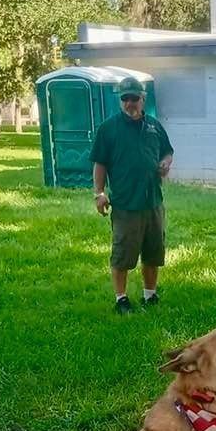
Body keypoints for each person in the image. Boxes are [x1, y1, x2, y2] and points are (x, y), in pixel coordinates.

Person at [90, 76, 174, 314]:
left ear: (143, 99)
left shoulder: (154, 126)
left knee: (153, 252)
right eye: (125, 98)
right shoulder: (108, 128)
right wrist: (99, 193)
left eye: (134, 98)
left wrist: (166, 163)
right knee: (123, 254)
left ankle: (150, 295)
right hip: (126, 203)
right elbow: (99, 163)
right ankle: (121, 299)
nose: (129, 103)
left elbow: (167, 151)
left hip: (153, 201)